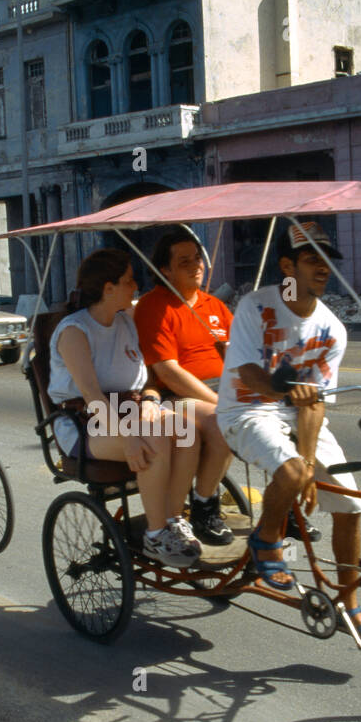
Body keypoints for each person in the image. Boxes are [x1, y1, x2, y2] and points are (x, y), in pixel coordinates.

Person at [216, 222, 361, 647]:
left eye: (327, 260)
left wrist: (310, 463)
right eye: (312, 259)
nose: (323, 268)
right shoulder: (255, 307)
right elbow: (251, 375)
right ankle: (267, 540)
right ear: (287, 266)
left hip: (298, 415)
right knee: (290, 475)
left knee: (350, 506)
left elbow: (316, 403)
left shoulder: (332, 329)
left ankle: (349, 603)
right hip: (246, 408)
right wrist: (284, 389)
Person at [49, 248, 203, 568]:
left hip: (130, 411)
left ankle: (174, 520)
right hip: (85, 422)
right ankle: (155, 533)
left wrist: (149, 400)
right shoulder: (74, 330)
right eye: (129, 281)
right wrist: (129, 436)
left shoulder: (126, 320)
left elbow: (145, 380)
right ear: (108, 288)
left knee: (187, 431)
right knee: (153, 438)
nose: (136, 287)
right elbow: (92, 396)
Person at [132, 230, 236, 546]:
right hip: (176, 396)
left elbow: (237, 354)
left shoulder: (214, 305)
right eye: (184, 261)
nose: (196, 266)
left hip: (220, 389)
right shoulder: (155, 306)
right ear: (166, 270)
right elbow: (168, 371)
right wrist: (221, 402)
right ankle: (205, 505)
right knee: (224, 421)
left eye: (198, 258)